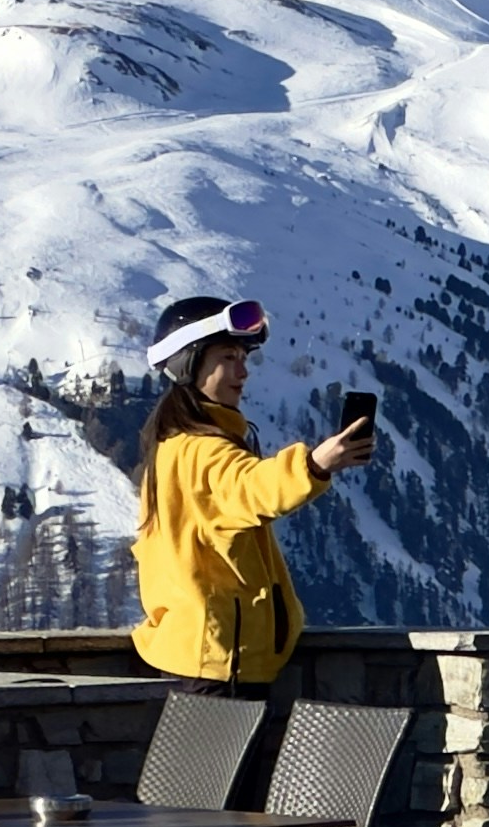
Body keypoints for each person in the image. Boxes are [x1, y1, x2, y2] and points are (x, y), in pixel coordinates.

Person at [129, 294, 375, 694]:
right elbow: (252, 488)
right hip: (218, 663)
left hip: (200, 654)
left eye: (244, 357)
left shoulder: (174, 444)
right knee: (219, 761)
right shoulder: (201, 450)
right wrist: (315, 465)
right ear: (188, 363)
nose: (242, 371)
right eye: (228, 357)